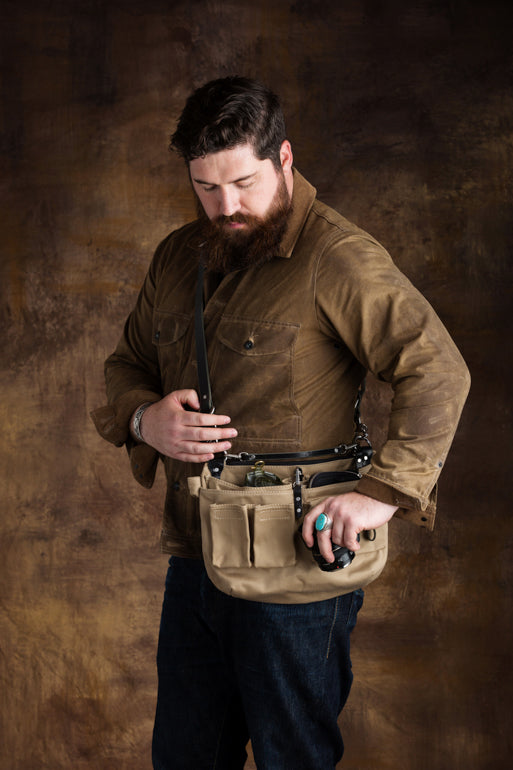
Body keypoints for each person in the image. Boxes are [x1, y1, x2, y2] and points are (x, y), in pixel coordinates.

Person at [91, 76, 470, 769]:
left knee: (291, 758)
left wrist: (382, 493)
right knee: (182, 758)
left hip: (296, 564)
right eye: (206, 187)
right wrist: (145, 421)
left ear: (284, 157)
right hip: (194, 556)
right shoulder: (177, 255)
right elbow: (127, 365)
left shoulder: (338, 256)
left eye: (243, 182)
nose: (226, 206)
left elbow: (437, 370)